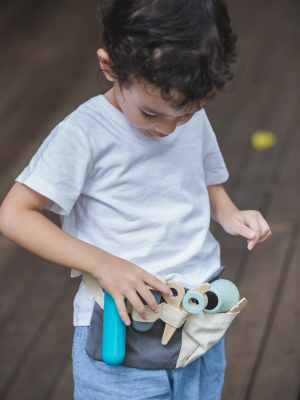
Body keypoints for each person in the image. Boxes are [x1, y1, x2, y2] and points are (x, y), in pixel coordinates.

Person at [0, 0, 272, 398]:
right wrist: (103, 264)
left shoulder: (183, 110)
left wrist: (229, 214)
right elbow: (14, 215)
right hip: (121, 334)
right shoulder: (83, 135)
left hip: (201, 321)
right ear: (110, 66)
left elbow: (204, 178)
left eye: (186, 114)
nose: (168, 129)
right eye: (150, 114)